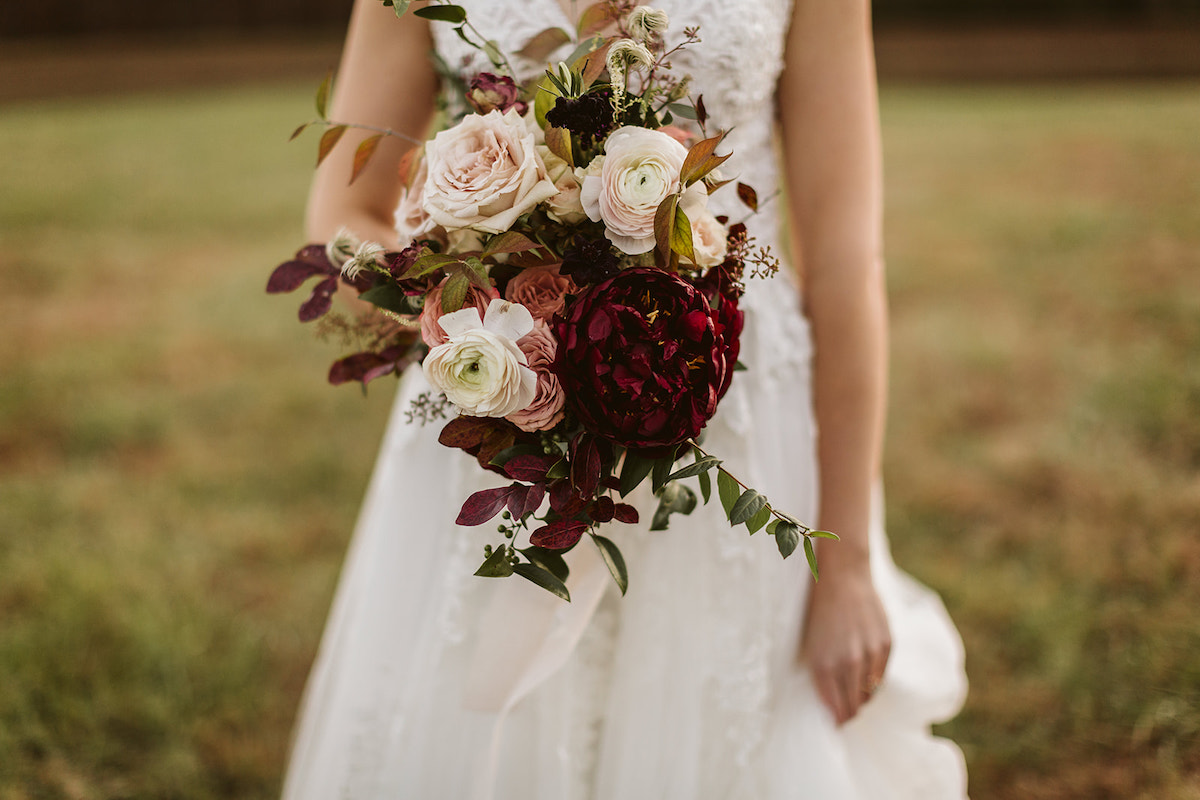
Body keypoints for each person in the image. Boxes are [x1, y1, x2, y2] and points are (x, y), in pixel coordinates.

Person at [282, 0, 969, 797]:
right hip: (494, 421)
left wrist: (846, 568)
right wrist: (494, 322)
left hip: (736, 417)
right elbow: (347, 210)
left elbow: (848, 259)